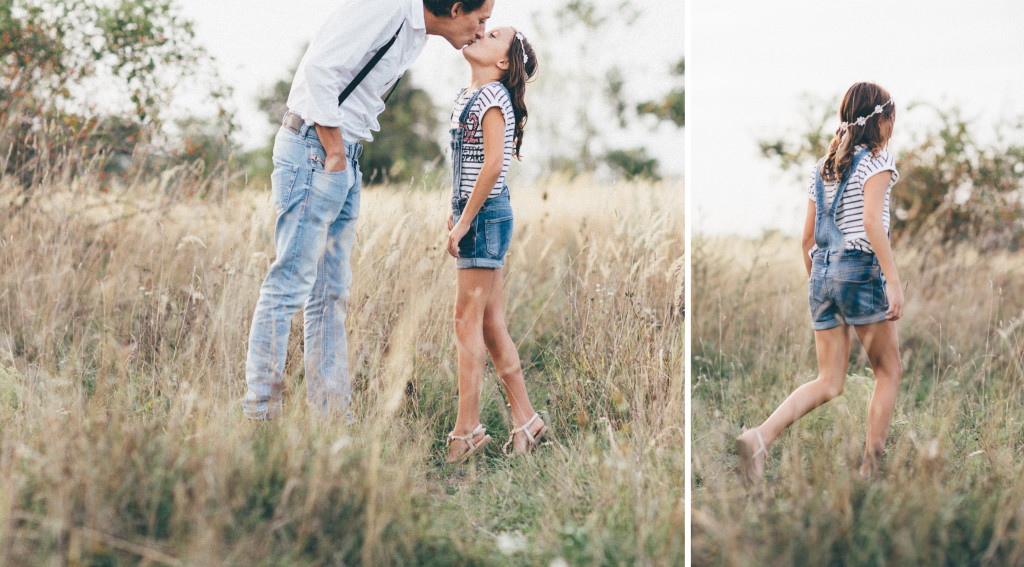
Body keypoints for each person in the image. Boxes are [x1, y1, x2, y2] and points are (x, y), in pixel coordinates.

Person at [243, 0, 496, 421]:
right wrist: (335, 152)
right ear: (455, 8)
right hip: (317, 149)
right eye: (480, 18)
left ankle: (330, 417)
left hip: (341, 153)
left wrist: (346, 156)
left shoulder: (414, 30)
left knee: (331, 292)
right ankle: (260, 417)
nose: (481, 30)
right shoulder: (387, 7)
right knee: (289, 283)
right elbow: (320, 69)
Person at [736, 82, 904, 481]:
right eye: (892, 119)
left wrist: (823, 284)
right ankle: (871, 470)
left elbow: (806, 240)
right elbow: (869, 223)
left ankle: (759, 437)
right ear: (882, 119)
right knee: (888, 371)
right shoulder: (877, 162)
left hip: (823, 272)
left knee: (829, 380)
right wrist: (893, 281)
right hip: (859, 270)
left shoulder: (824, 166)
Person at [443, 26, 547, 463]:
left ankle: (466, 431)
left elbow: (492, 166)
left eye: (493, 36)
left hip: (484, 215)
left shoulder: (492, 99)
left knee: (466, 321)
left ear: (503, 62)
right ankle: (526, 422)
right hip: (477, 211)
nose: (481, 33)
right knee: (488, 323)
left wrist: (465, 219)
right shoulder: (471, 94)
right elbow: (466, 166)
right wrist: (455, 208)